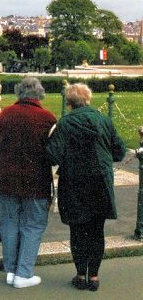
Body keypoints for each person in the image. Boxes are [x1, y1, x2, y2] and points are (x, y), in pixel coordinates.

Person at [46, 83, 126, 292]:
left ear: (70, 103)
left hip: (74, 182)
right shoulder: (104, 120)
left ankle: (81, 274)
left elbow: (52, 154)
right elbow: (119, 151)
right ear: (88, 99)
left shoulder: (65, 123)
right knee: (97, 230)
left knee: (78, 230)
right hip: (100, 180)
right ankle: (95, 275)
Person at [0, 77, 57, 288]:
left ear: (19, 92)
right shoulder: (47, 118)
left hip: (5, 180)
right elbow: (53, 153)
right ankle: (24, 273)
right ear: (40, 94)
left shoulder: (5, 114)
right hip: (35, 182)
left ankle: (10, 271)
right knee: (33, 225)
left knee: (8, 225)